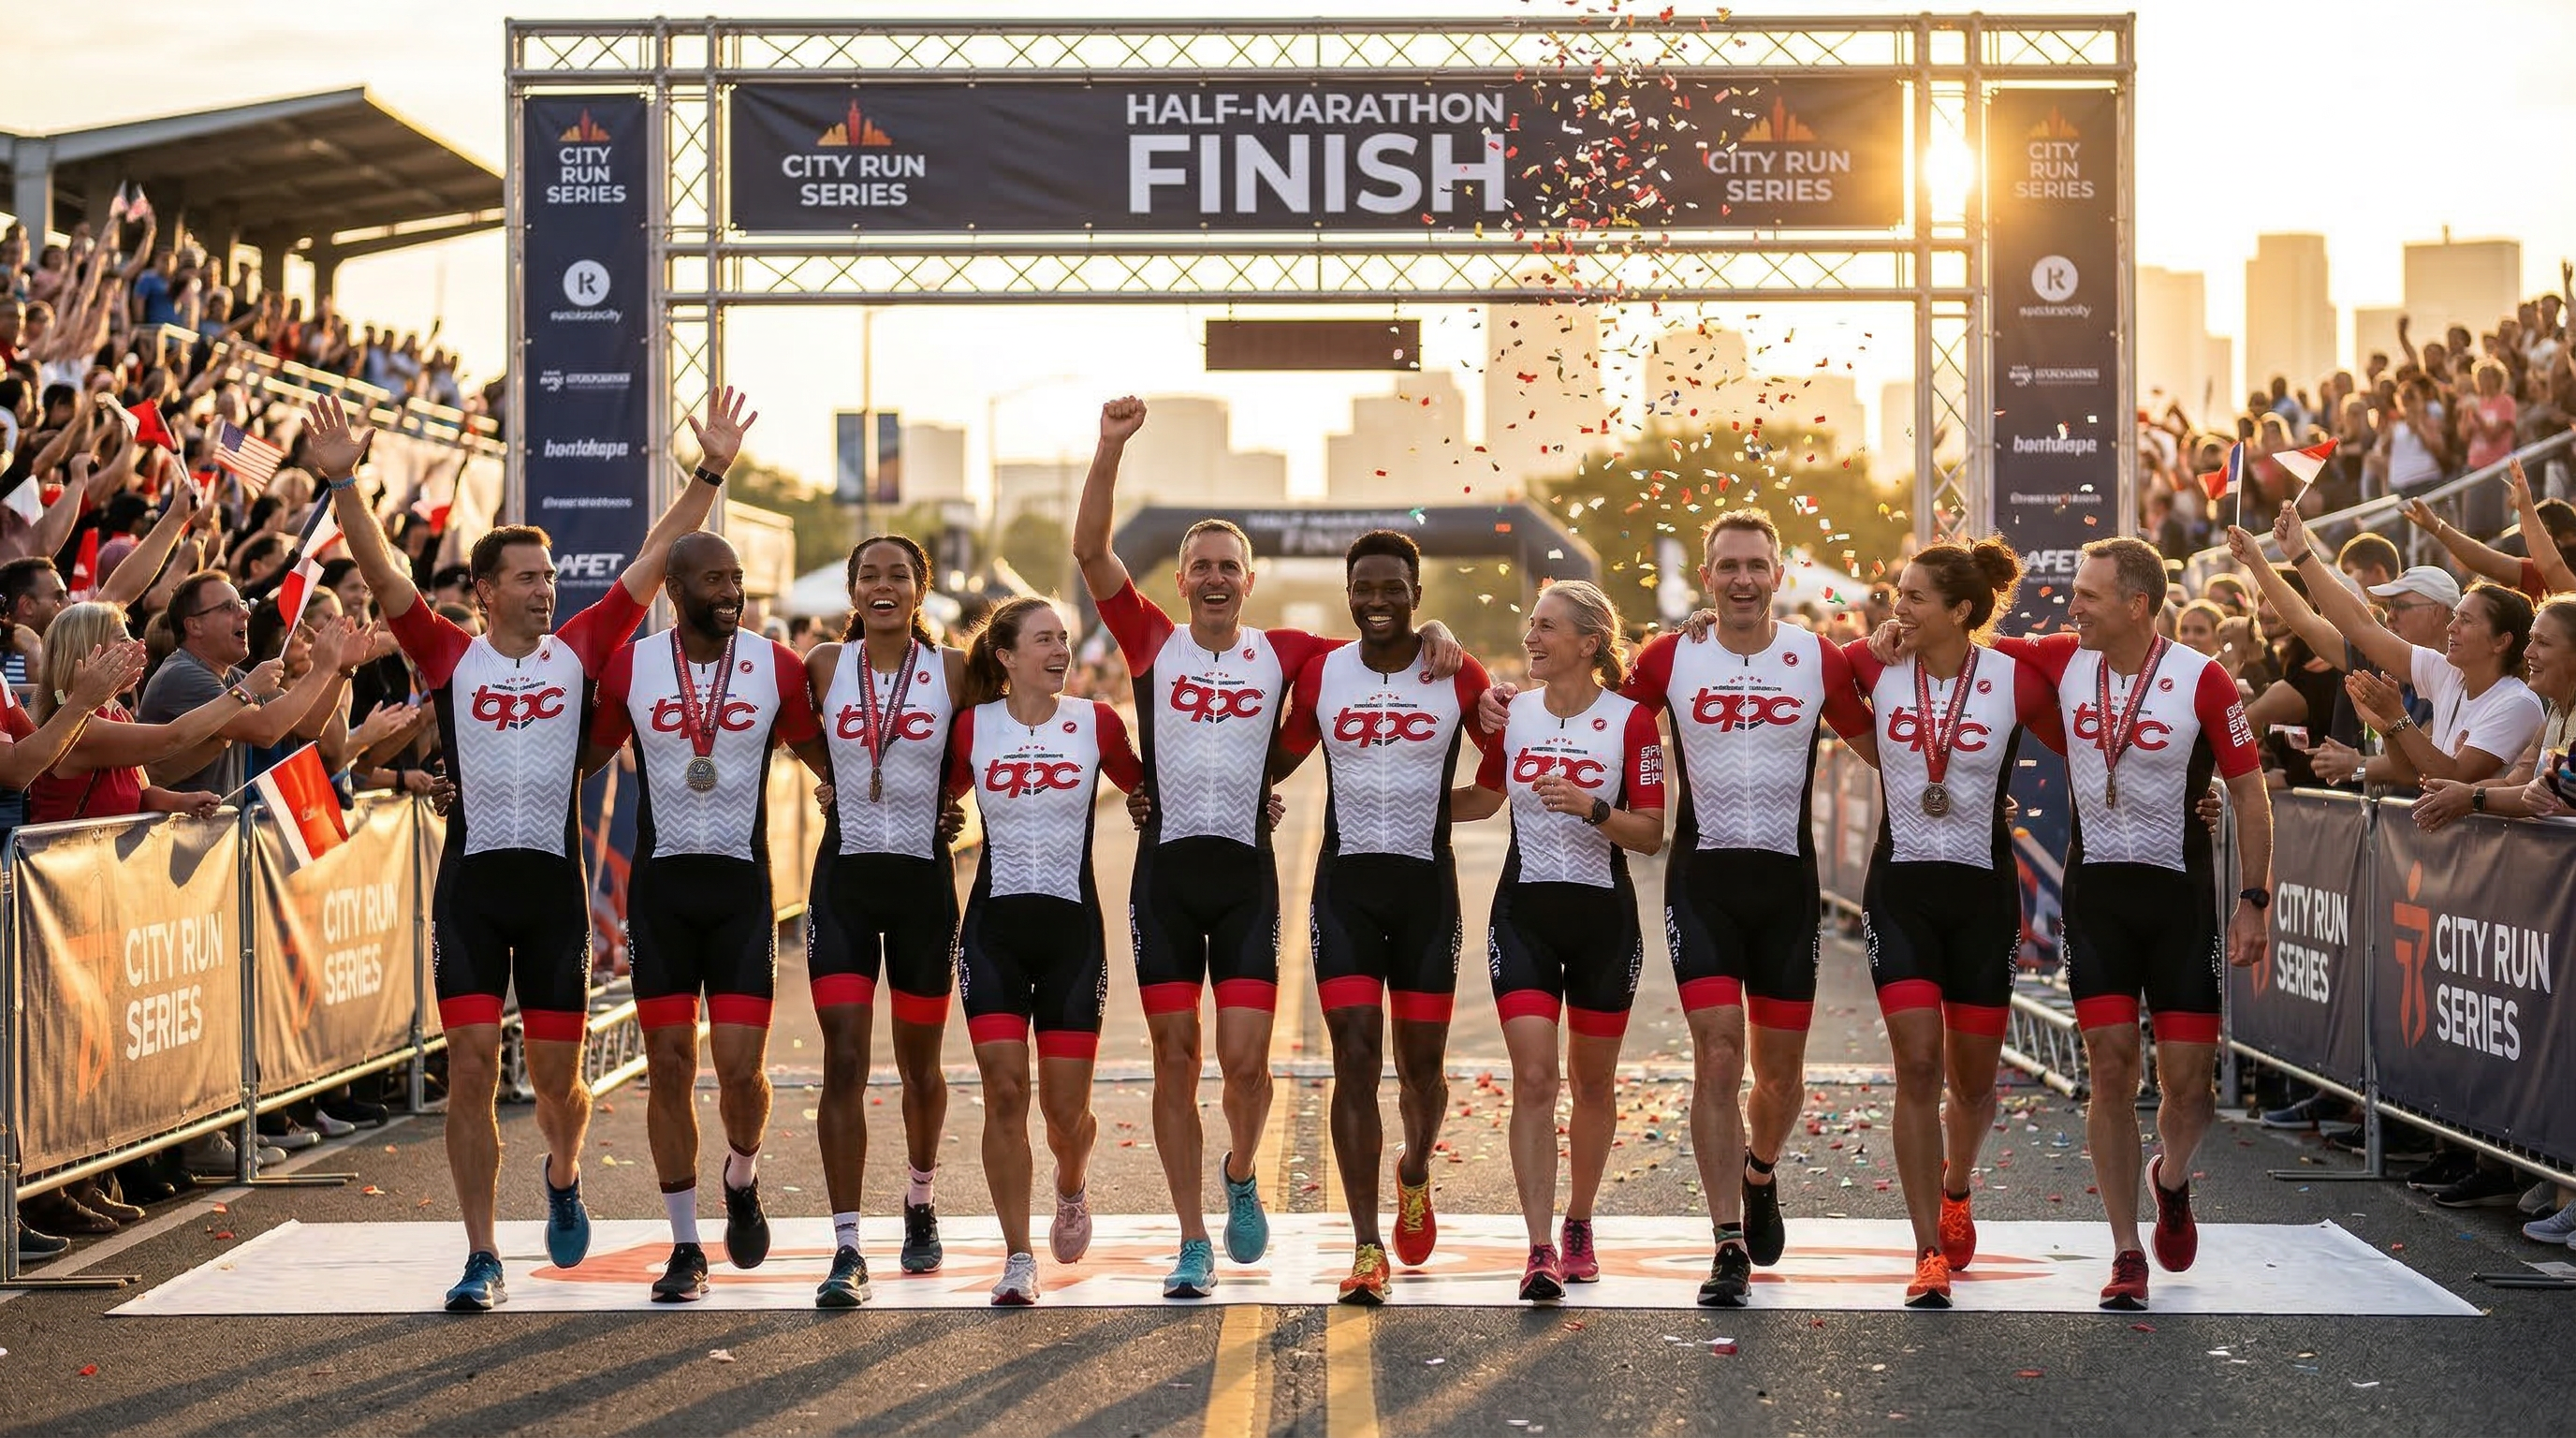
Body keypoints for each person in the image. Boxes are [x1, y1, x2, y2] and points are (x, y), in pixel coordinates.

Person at [306, 387, 749, 1313]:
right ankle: (481, 1254)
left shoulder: (581, 649)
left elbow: (652, 556)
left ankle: (562, 1168)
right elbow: (385, 575)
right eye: (527, 579)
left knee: (556, 1086)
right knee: (468, 1065)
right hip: (470, 888)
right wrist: (345, 481)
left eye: (550, 579)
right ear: (484, 592)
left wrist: (709, 469)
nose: (546, 592)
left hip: (551, 895)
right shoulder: (447, 655)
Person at [1069, 396, 1459, 1298]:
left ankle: (1241, 1171)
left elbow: (1385, 635)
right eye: (1199, 565)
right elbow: (1092, 553)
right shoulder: (1149, 645)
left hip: (1246, 882)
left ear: (1249, 582)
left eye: (1227, 567)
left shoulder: (1288, 652)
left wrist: (1436, 631)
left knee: (1245, 1067)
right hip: (1165, 877)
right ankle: (1193, 1237)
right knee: (1175, 1056)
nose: (1212, 578)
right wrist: (1108, 450)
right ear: (1180, 579)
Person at [1486, 509, 1870, 1302]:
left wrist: (1976, 796)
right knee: (1720, 1053)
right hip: (1704, 883)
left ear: (1777, 575)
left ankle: (1760, 1172)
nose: (1742, 579)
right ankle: (1727, 1240)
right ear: (1706, 577)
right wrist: (1497, 703)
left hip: (1788, 886)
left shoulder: (1815, 658)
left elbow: (1881, 743)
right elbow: (1586, 700)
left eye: (1756, 566)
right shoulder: (1673, 655)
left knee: (1782, 1075)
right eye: (1727, 565)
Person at [1990, 536, 2274, 1312]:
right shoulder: (2060, 658)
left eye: (2087, 594)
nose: (2071, 605)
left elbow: (2249, 794)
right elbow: (1969, 641)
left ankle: (2170, 1180)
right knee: (2111, 1071)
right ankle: (2123, 1251)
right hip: (2098, 899)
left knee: (2190, 1089)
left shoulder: (2202, 679)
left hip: (2180, 901)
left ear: (2136, 604)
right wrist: (1891, 635)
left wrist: (2255, 899)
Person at [585, 530, 827, 1303]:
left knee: (741, 1072)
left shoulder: (775, 665)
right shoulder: (635, 665)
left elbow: (829, 757)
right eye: (714, 580)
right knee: (669, 1067)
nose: (731, 592)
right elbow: (580, 755)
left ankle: (743, 1174)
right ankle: (685, 1245)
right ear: (675, 591)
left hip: (740, 893)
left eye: (738, 579)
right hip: (661, 894)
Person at [1269, 530, 1503, 1304]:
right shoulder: (1324, 672)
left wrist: (1449, 806)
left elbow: (1499, 770)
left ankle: (1414, 1170)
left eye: (1392, 587)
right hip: (1345, 892)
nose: (1377, 600)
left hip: (1426, 892)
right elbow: (1274, 757)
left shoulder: (1452, 669)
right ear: (1349, 594)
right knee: (1356, 1057)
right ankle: (1366, 1245)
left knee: (1423, 1069)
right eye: (1364, 587)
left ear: (1416, 594)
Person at [1839, 540, 2060, 1308]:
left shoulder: (2014, 679)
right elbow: (1804, 676)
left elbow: (2094, 743)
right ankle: (1927, 1245)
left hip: (1983, 893)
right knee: (1918, 1068)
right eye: (1896, 592)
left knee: (1971, 1085)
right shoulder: (1874, 667)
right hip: (1899, 890)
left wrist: (2199, 798)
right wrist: (1862, 647)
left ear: (1960, 610)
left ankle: (1956, 1186)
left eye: (1913, 597)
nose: (1897, 606)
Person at [945, 596, 1142, 1305]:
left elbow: (1149, 791)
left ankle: (1071, 1183)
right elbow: (933, 795)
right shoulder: (972, 727)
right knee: (1004, 1093)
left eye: (1064, 638)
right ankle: (1018, 1256)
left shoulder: (1096, 723)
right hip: (994, 932)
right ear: (1005, 657)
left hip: (1071, 937)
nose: (1060, 650)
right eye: (1044, 640)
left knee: (1066, 1117)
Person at [1473, 581, 1663, 1302]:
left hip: (1603, 920)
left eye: (1546, 627)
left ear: (1588, 643)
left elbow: (1651, 834)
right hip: (1523, 912)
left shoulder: (1632, 721)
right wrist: (1384, 789)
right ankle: (1539, 1245)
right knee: (1533, 1080)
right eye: (1530, 623)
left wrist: (1592, 807)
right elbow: (1483, 800)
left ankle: (1580, 1220)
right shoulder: (1512, 714)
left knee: (1589, 1083)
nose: (1531, 636)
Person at [801, 534, 970, 1305]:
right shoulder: (825, 668)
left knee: (921, 1068)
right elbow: (796, 733)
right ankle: (845, 1245)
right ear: (851, 591)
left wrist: (958, 796)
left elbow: (990, 738)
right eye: (868, 574)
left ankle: (920, 1199)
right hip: (844, 880)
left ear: (919, 589)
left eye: (897, 575)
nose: (882, 586)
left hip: (922, 887)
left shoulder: (953, 670)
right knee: (843, 1058)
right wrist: (827, 778)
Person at [2276, 506, 2544, 792]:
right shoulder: (2445, 672)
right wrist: (2300, 553)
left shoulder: (2518, 703)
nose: (2452, 627)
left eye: (2465, 620)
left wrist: (2394, 719)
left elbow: (2452, 777)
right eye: (2456, 617)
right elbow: (2361, 627)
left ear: (2501, 641)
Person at [24, 601, 281, 823]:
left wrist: (181, 802)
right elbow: (173, 738)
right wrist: (245, 690)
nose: (138, 645)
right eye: (123, 639)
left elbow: (141, 791)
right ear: (89, 651)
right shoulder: (79, 726)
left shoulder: (118, 714)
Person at [2400, 458, 2576, 602]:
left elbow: (2552, 566)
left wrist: (2526, 508)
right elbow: (2485, 560)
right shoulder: (2535, 574)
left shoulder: (2568, 586)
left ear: (2569, 537)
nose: (2529, 545)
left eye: (2537, 533)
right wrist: (2437, 527)